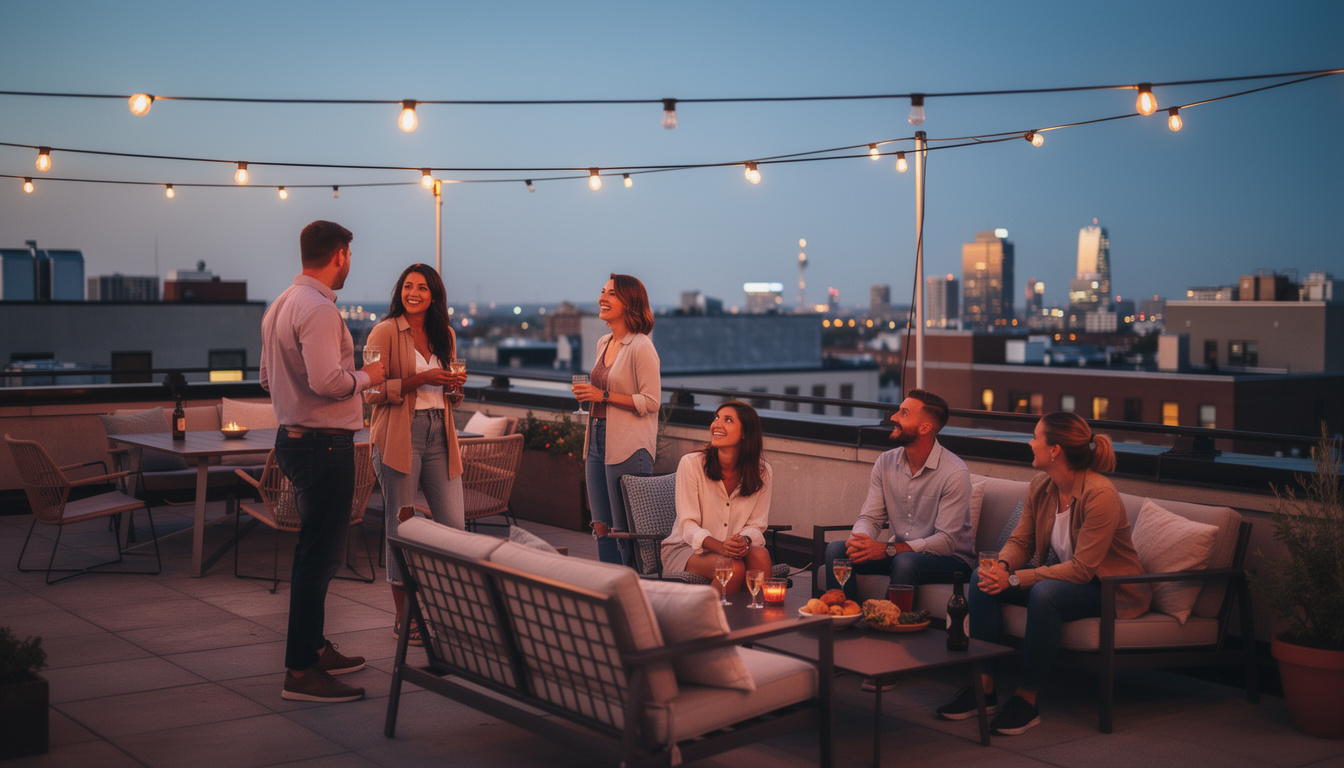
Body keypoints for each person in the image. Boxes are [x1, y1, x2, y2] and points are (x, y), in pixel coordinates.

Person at [936, 412, 1151, 735]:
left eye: (1036, 436)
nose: (1030, 442)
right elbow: (1021, 541)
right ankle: (985, 688)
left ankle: (1027, 698)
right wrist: (1001, 567)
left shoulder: (1100, 495)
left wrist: (1014, 579)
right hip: (1070, 579)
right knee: (982, 583)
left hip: (1108, 588)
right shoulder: (1041, 486)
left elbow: (1082, 569)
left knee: (1045, 593)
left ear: (1055, 450)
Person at [260, 220, 385, 703]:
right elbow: (329, 382)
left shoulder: (279, 306)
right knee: (320, 559)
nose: (349, 263)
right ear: (339, 254)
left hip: (294, 441)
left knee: (312, 553)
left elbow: (268, 381)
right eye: (349, 255)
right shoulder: (318, 310)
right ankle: (300, 672)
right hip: (322, 446)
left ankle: (312, 647)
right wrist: (368, 375)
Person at [365, 264, 467, 646]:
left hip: (440, 434)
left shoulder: (446, 335)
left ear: (434, 295)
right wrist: (421, 379)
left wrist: (455, 388)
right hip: (399, 435)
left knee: (455, 530)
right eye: (408, 286)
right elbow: (370, 393)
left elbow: (450, 398)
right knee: (401, 527)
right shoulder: (386, 331)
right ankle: (403, 618)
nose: (414, 293)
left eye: (422, 288)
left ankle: (452, 611)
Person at [824, 389, 975, 599]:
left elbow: (945, 542)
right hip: (899, 553)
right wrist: (860, 540)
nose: (893, 417)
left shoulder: (954, 473)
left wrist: (888, 550)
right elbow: (871, 517)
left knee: (905, 562)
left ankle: (887, 623)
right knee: (836, 551)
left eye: (904, 413)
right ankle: (845, 617)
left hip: (951, 560)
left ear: (924, 428)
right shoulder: (885, 462)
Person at [572, 273, 661, 566]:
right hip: (597, 439)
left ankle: (633, 592)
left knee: (625, 531)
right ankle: (609, 590)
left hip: (628, 445)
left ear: (629, 302)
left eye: (611, 294)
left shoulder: (641, 346)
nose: (602, 298)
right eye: (602, 292)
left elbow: (651, 402)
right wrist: (593, 396)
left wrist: (603, 396)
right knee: (600, 526)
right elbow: (601, 392)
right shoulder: (604, 342)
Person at [661, 401, 773, 591]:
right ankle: (712, 618)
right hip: (687, 549)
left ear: (745, 433)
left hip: (733, 550)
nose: (716, 425)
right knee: (731, 567)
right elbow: (687, 525)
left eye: (727, 420)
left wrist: (743, 542)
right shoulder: (691, 464)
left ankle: (759, 615)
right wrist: (721, 547)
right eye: (716, 418)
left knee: (760, 555)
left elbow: (757, 525)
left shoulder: (763, 472)